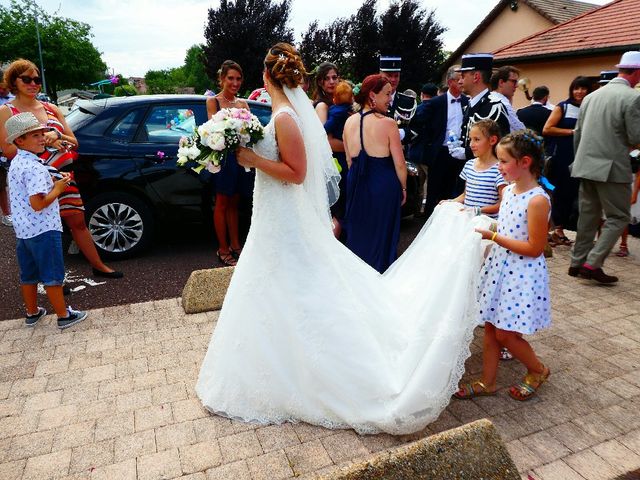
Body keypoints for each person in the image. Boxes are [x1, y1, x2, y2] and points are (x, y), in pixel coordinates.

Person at [196, 42, 489, 435]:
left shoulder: (285, 117)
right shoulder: (282, 113)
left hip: (282, 215)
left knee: (289, 284)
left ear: (267, 77)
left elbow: (296, 173)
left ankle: (298, 369)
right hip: (274, 215)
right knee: (277, 286)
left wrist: (252, 159)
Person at [0, 59, 122, 279]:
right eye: (26, 79)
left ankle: (98, 265)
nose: (33, 84)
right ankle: (51, 280)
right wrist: (43, 142)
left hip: (63, 176)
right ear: (14, 82)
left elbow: (74, 142)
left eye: (37, 79)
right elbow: (8, 150)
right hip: (33, 180)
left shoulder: (51, 108)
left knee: (77, 221)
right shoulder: (7, 111)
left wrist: (58, 136)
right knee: (42, 230)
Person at [455, 130, 551, 401]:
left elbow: (534, 247)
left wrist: (494, 236)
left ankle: (538, 369)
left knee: (506, 333)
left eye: (504, 161)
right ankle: (488, 381)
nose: (499, 167)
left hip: (521, 273)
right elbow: (509, 226)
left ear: (525, 162)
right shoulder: (508, 191)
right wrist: (488, 226)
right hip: (500, 266)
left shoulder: (537, 200)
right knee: (489, 326)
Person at [6, 112, 88, 329]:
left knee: (29, 274)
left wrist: (50, 181)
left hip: (24, 230)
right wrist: (59, 188)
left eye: (41, 133)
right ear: (19, 140)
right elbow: (39, 203)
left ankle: (32, 312)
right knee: (53, 274)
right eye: (34, 135)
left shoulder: (18, 162)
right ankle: (63, 316)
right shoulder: (34, 167)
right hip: (43, 227)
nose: (42, 138)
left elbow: (27, 193)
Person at [568, 51, 640, 284]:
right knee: (619, 216)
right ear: (637, 72)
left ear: (621, 69)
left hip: (585, 163)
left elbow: (577, 134)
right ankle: (593, 262)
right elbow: (635, 135)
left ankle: (577, 262)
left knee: (587, 217)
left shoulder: (591, 96)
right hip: (612, 168)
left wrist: (579, 159)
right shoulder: (632, 97)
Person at [342, 74, 407, 273]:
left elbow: (348, 160)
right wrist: (403, 187)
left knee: (359, 235)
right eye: (387, 94)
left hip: (356, 184)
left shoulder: (348, 122)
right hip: (383, 185)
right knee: (382, 237)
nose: (390, 99)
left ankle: (358, 281)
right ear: (372, 95)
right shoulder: (388, 124)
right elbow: (400, 164)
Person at [206, 60, 253, 267]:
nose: (235, 83)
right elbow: (213, 130)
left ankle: (236, 245)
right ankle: (223, 249)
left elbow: (251, 131)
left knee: (235, 202)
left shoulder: (243, 104)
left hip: (241, 158)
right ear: (222, 79)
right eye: (230, 78)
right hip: (224, 159)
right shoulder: (213, 102)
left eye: (238, 78)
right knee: (222, 203)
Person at [542, 76, 593, 246]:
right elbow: (547, 129)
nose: (579, 92)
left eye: (583, 88)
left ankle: (559, 229)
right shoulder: (562, 107)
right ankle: (554, 230)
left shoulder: (590, 107)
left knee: (572, 195)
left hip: (582, 156)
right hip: (562, 157)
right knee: (559, 193)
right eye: (576, 88)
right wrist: (572, 132)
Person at [414, 65, 469, 218]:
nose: (462, 83)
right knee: (434, 188)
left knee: (456, 187)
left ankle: (451, 219)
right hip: (440, 151)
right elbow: (419, 122)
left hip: (460, 152)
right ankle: (430, 220)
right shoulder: (436, 102)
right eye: (459, 80)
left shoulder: (468, 102)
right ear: (450, 82)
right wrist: (429, 142)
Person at [452, 54, 510, 195]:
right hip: (470, 172)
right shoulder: (471, 104)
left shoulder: (494, 107)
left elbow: (500, 145)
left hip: (487, 178)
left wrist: (466, 152)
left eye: (463, 76)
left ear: (476, 77)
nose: (460, 81)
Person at [445, 120, 506, 219]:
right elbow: (466, 195)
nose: (471, 144)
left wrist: (478, 210)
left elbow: (504, 203)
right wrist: (450, 202)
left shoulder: (500, 169)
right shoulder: (469, 165)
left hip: (486, 224)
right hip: (468, 221)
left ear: (492, 140)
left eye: (477, 139)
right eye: (470, 140)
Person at [323, 80, 353, 238]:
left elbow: (325, 129)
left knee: (338, 205)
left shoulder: (335, 112)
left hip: (339, 160)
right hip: (347, 159)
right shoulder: (351, 112)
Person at [489, 66, 526, 132]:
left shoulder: (488, 99)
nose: (516, 85)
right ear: (501, 82)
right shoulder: (502, 103)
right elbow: (521, 131)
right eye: (513, 81)